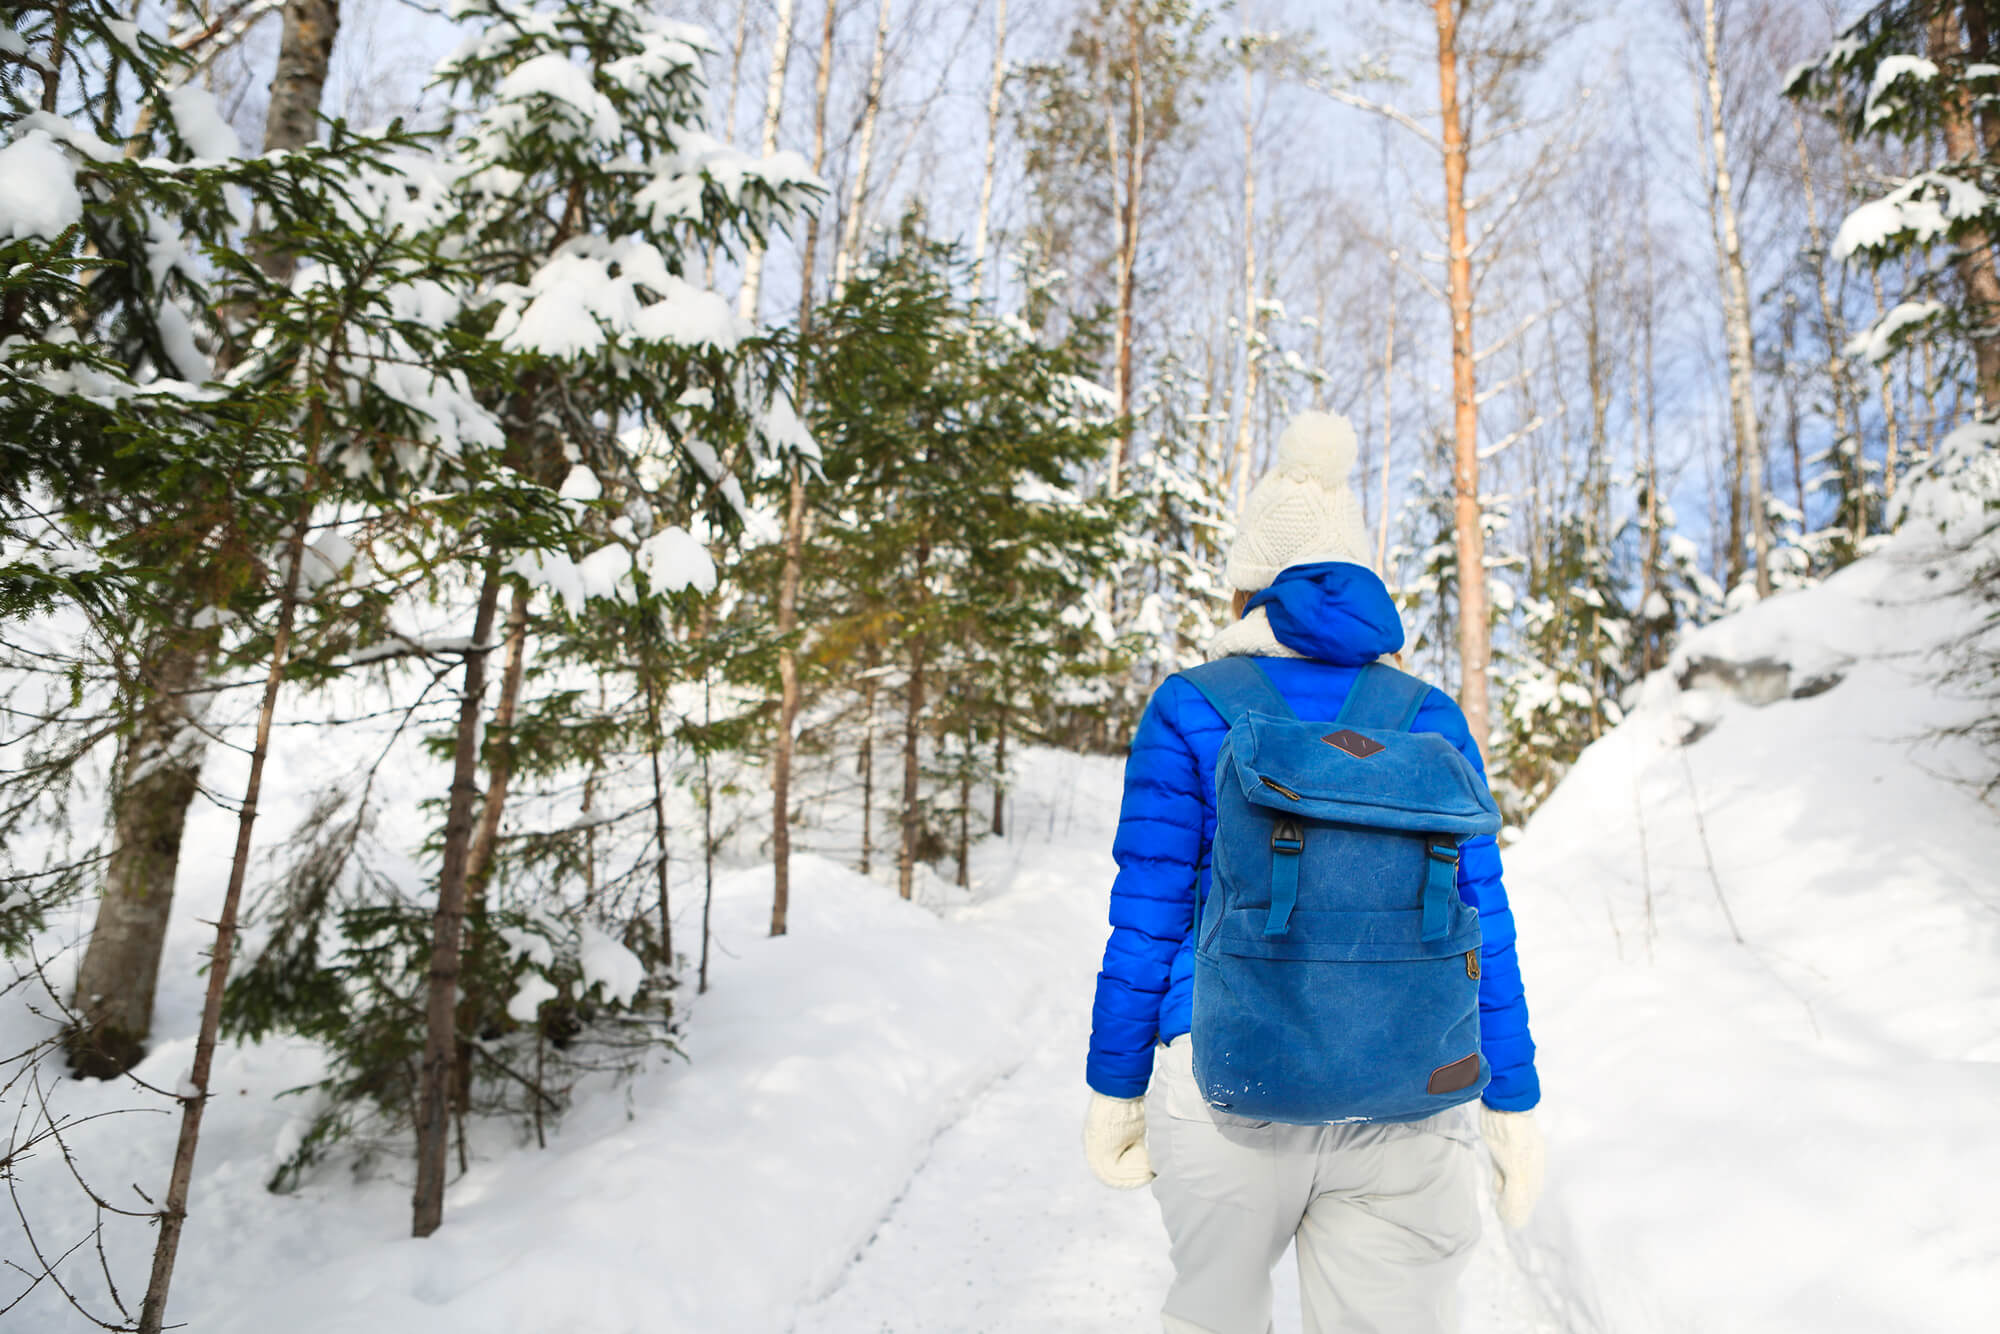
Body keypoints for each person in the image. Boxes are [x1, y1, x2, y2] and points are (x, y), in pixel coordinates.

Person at [1082, 411, 1544, 1334]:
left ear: (1251, 588)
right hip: (1407, 1092)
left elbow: (1150, 915)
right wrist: (1513, 1098)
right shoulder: (1428, 715)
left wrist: (1113, 1085)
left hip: (1225, 1080)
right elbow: (1480, 918)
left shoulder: (1190, 705)